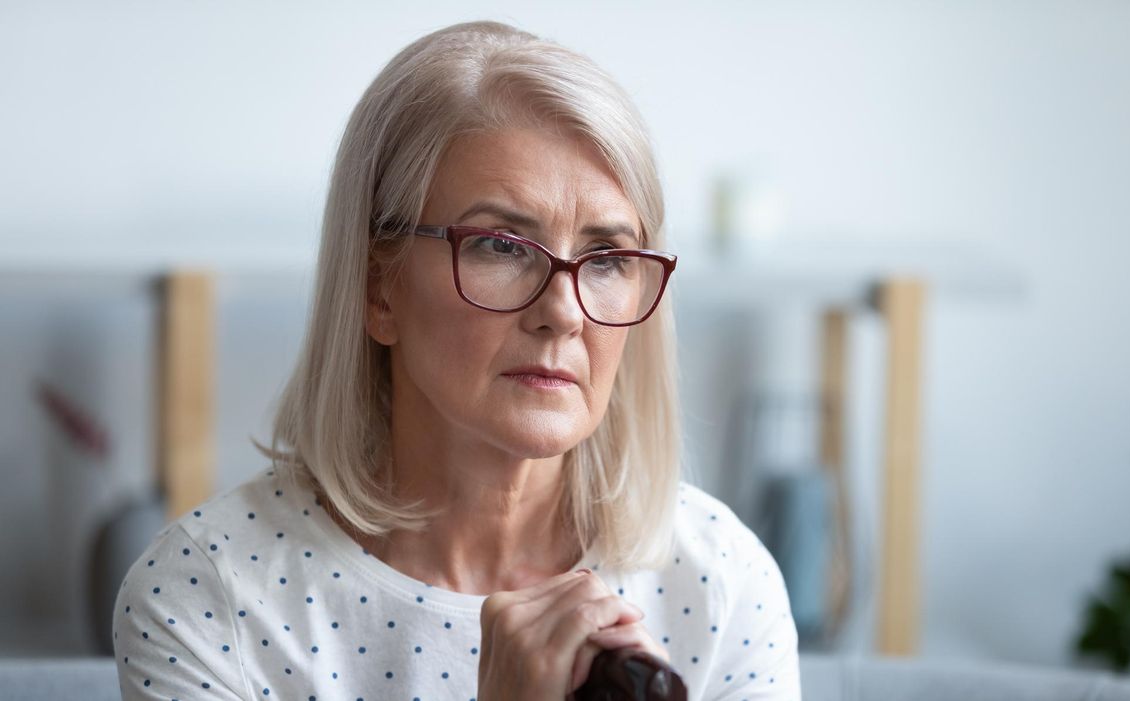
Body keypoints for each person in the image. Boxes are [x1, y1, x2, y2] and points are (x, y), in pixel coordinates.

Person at [112, 20, 800, 700]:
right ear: (378, 286)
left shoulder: (722, 584)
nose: (562, 310)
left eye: (608, 258)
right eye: (501, 245)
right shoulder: (209, 595)